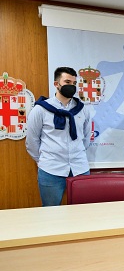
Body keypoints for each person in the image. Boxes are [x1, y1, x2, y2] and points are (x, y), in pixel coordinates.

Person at [25, 67, 91, 207]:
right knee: (51, 213)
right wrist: (43, 159)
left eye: (74, 83)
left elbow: (86, 137)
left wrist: (78, 153)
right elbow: (32, 141)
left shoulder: (82, 109)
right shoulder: (41, 109)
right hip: (51, 169)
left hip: (80, 168)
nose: (71, 86)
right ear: (56, 84)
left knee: (84, 213)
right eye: (67, 81)